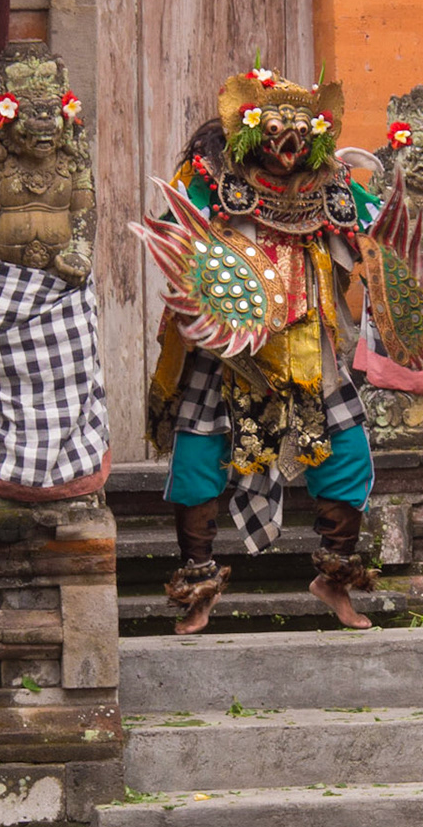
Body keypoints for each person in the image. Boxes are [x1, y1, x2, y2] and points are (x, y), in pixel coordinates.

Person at [136, 68, 376, 633]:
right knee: (197, 462)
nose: (288, 144)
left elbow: (376, 226)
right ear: (248, 130)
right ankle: (198, 588)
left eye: (301, 133)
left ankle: (335, 578)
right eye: (274, 130)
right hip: (227, 346)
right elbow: (176, 232)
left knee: (347, 455)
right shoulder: (212, 176)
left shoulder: (332, 183)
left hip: (307, 341)